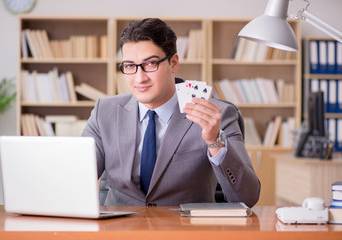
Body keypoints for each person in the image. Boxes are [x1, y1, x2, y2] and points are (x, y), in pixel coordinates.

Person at [82, 18, 260, 207]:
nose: (139, 78)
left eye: (150, 64)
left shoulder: (217, 114)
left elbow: (247, 198)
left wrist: (214, 141)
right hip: (120, 230)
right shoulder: (104, 111)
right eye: (129, 66)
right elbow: (78, 176)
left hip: (183, 229)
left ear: (173, 63)